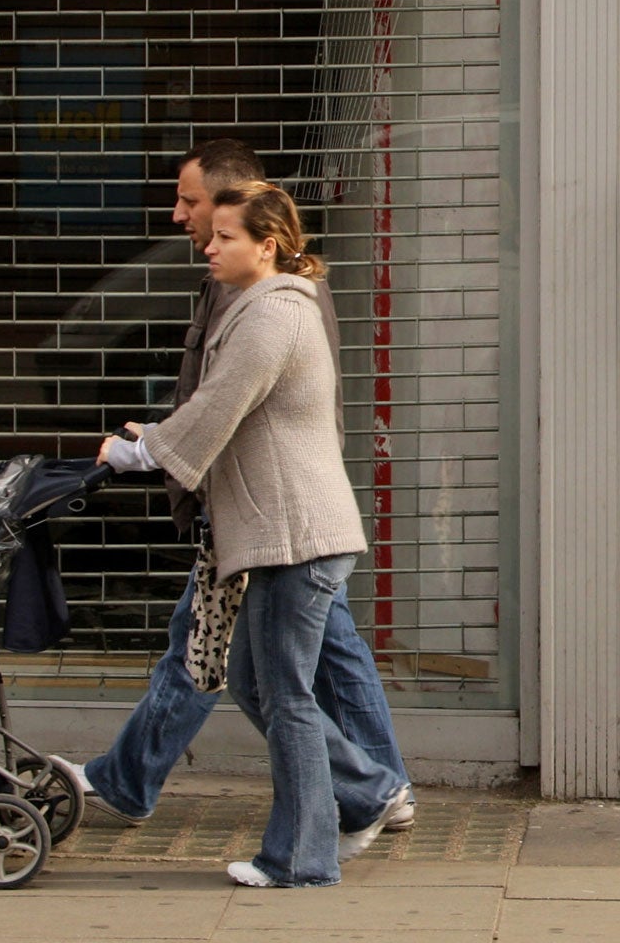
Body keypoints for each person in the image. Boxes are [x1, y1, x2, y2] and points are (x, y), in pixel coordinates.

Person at [59, 141, 411, 830]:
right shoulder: (246, 281)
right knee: (285, 664)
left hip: (275, 518)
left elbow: (229, 406)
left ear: (251, 223)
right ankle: (373, 792)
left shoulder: (271, 299)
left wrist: (146, 452)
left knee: (226, 659)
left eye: (193, 204)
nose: (180, 218)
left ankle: (365, 798)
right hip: (269, 513)